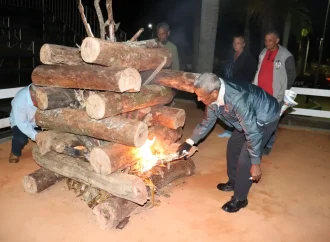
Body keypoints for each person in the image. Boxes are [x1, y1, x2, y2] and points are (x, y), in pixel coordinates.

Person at [177, 73, 280, 213]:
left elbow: (253, 132)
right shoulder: (213, 96)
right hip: (247, 117)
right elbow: (207, 122)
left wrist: (255, 162)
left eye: (201, 96)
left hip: (264, 117)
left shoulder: (237, 99)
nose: (198, 99)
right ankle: (234, 182)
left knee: (246, 159)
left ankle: (240, 198)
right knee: (233, 147)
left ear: (214, 93)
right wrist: (189, 142)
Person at [254, 30, 296, 155]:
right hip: (260, 95)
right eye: (266, 40)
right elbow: (258, 69)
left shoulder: (286, 55)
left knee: (272, 122)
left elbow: (292, 75)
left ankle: (268, 145)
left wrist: (283, 91)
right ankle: (257, 143)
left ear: (277, 40)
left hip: (275, 96)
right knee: (257, 120)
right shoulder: (263, 52)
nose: (267, 43)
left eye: (270, 40)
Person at [218, 35, 257, 138]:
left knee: (237, 110)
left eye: (238, 43)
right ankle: (229, 130)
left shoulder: (248, 57)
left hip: (240, 88)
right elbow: (226, 69)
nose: (236, 45)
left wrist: (242, 88)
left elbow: (251, 74)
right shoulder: (231, 55)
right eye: (234, 43)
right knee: (227, 109)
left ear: (243, 44)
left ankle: (238, 132)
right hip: (228, 86)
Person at [9, 84, 39, 163]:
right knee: (21, 139)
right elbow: (22, 123)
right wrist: (36, 136)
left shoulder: (38, 92)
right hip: (19, 122)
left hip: (37, 121)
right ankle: (14, 152)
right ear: (32, 95)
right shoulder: (20, 99)